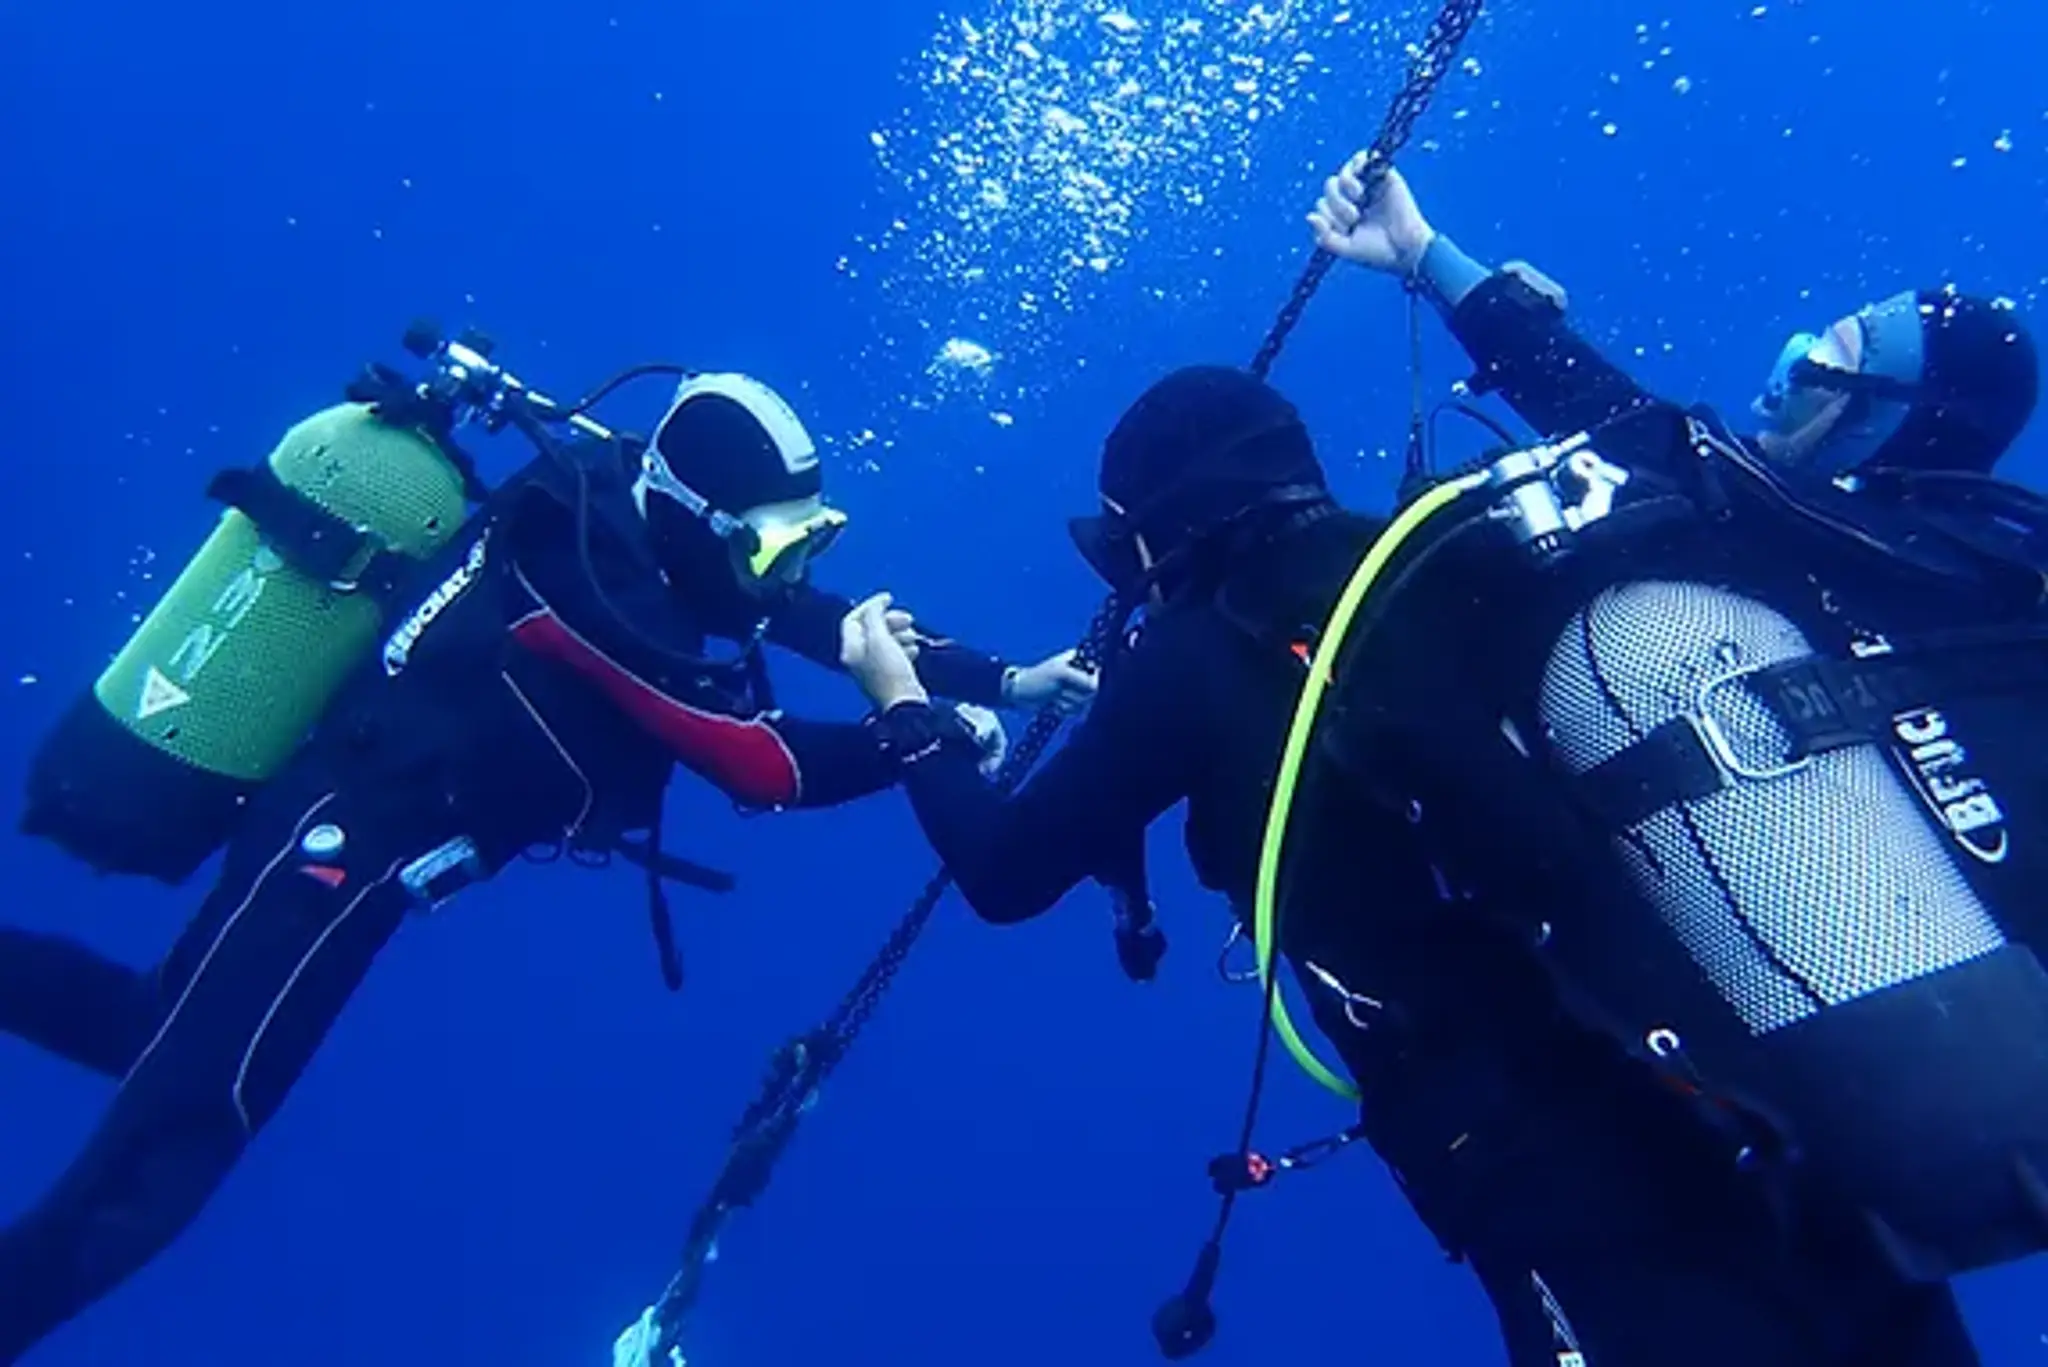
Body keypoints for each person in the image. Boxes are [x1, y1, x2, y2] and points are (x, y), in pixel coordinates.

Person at [838, 160, 2045, 1362]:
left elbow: (1003, 872)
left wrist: (901, 702)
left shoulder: (1189, 657)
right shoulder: (1459, 565)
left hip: (1548, 1166)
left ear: (1156, 538)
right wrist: (1438, 266)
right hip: (1761, 1098)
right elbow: (1650, 445)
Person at [0, 364, 1091, 1364]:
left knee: (149, 1025)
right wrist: (916, 733)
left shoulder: (633, 517)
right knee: (178, 1146)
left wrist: (1006, 679)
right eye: (772, 547)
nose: (789, 570)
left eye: (808, 539)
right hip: (333, 854)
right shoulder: (591, 592)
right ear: (702, 517)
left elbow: (819, 617)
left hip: (352, 845)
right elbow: (757, 763)